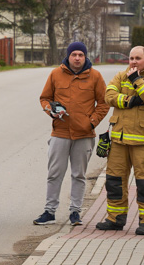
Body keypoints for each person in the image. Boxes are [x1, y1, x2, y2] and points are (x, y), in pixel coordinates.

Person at [96, 46, 144, 235]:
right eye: (131, 58)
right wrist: (130, 101)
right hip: (119, 141)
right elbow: (108, 96)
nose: (133, 61)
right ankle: (115, 219)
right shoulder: (121, 76)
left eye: (137, 58)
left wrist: (136, 80)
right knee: (114, 181)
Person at [35, 42, 109, 226]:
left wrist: (91, 122)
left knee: (79, 175)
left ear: (85, 57)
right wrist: (50, 111)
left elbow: (104, 102)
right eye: (74, 54)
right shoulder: (55, 74)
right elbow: (45, 98)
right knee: (54, 174)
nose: (77, 58)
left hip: (84, 135)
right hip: (60, 132)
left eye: (80, 55)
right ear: (68, 56)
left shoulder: (95, 76)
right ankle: (49, 212)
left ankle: (75, 213)